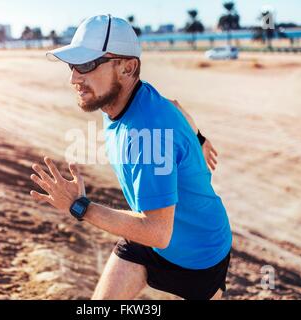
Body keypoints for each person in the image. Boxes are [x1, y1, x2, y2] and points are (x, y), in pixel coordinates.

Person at [30, 14, 232, 300]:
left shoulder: (148, 133)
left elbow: (158, 232)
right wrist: (199, 138)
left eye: (86, 65)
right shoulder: (128, 98)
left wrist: (79, 206)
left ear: (127, 67)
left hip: (198, 255)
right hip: (147, 232)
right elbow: (174, 104)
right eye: (72, 65)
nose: (74, 77)